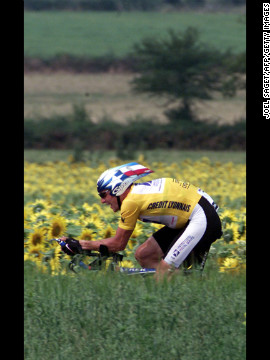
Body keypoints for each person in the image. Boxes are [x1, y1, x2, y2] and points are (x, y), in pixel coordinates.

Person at [61, 162, 222, 276]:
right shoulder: (134, 194)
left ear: (117, 189)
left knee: (164, 272)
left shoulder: (130, 202)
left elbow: (118, 244)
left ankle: (183, 287)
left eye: (104, 194)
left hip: (202, 218)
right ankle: (186, 283)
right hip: (192, 216)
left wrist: (82, 244)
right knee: (144, 255)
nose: (102, 201)